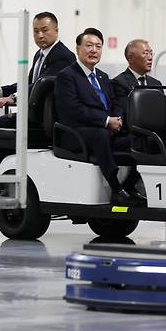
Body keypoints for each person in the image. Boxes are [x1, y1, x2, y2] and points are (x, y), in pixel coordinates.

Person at [0, 12, 75, 195]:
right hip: (38, 116)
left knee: (3, 123)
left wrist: (12, 98)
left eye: (45, 30)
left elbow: (41, 85)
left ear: (56, 31)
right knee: (4, 125)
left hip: (49, 121)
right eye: (36, 31)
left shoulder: (62, 56)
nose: (40, 35)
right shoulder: (41, 54)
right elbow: (28, 83)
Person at [54, 28, 143, 206]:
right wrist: (106, 121)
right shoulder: (66, 76)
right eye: (88, 45)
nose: (94, 50)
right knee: (100, 135)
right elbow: (73, 109)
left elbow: (115, 102)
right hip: (76, 133)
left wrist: (117, 118)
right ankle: (116, 189)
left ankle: (130, 185)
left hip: (104, 129)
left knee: (138, 139)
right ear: (78, 49)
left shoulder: (103, 77)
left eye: (98, 46)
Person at [112, 39, 163, 117]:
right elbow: (127, 113)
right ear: (131, 58)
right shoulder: (119, 83)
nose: (150, 57)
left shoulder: (156, 83)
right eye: (145, 53)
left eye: (151, 53)